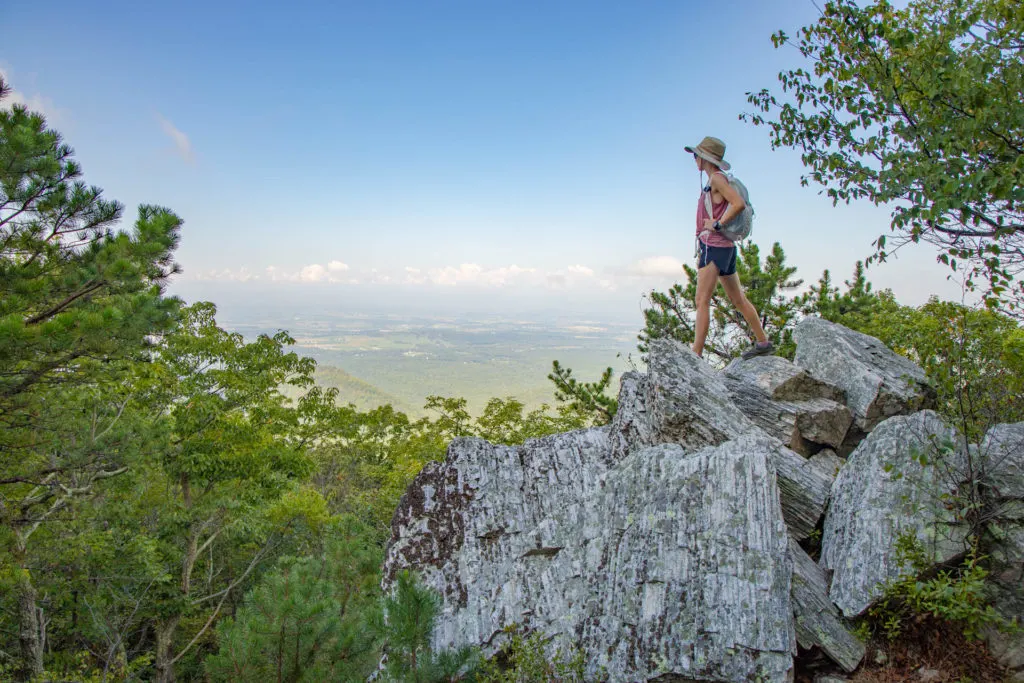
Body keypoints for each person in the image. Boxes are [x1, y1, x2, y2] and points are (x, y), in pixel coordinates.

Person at [683, 136, 774, 360]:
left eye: (696, 155)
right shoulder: (717, 179)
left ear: (704, 158)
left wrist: (717, 224)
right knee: (738, 300)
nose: (695, 159)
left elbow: (738, 203)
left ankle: (696, 354)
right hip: (726, 248)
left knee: (701, 300)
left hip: (713, 246)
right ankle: (763, 342)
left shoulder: (716, 179)